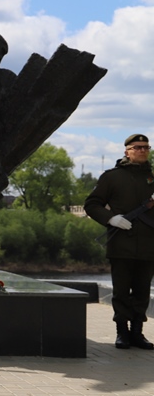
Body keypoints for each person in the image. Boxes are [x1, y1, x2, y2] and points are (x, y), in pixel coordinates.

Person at [84, 134, 154, 350]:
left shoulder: (152, 177)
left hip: (149, 245)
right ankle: (122, 332)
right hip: (122, 244)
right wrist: (110, 219)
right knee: (121, 292)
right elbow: (92, 204)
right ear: (127, 151)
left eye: (146, 147)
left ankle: (137, 333)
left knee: (142, 292)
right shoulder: (112, 177)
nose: (142, 150)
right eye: (137, 147)